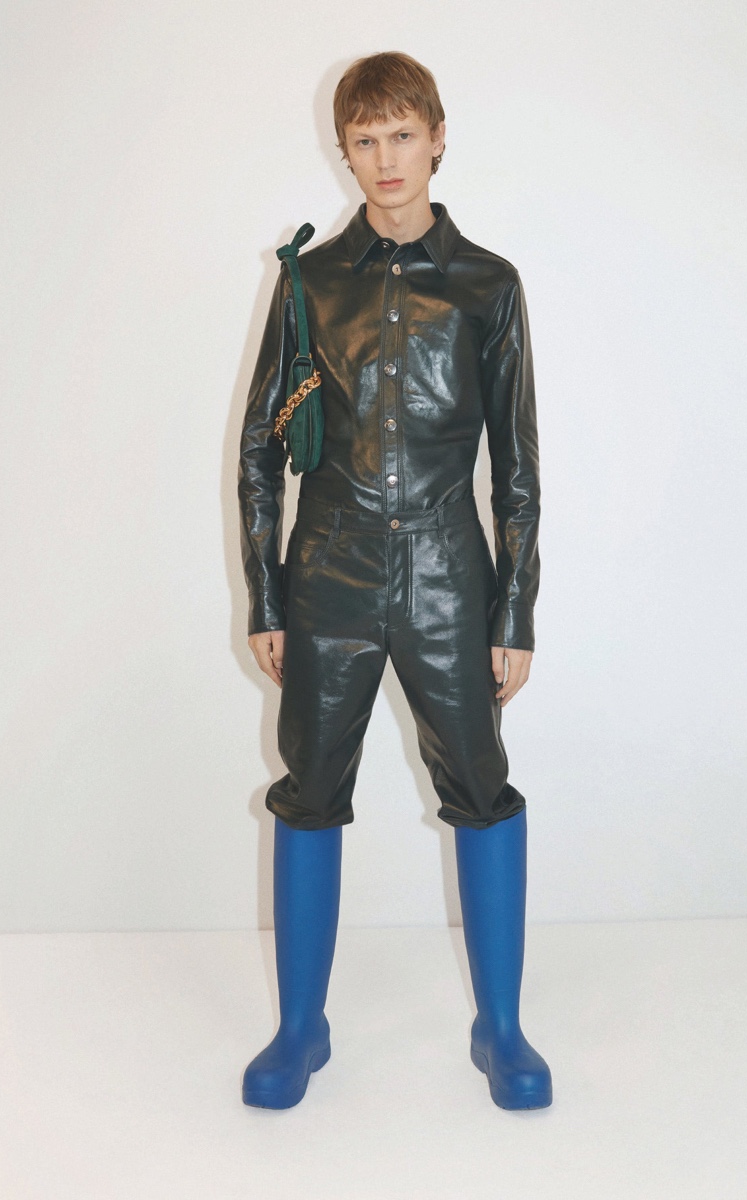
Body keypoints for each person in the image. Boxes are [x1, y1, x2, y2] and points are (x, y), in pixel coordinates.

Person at [237, 50, 552, 1111]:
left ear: (437, 138)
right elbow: (259, 452)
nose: (385, 159)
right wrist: (266, 596)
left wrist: (514, 609)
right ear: (345, 150)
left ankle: (501, 1028)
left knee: (481, 789)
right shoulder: (309, 283)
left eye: (402, 135)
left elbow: (516, 466)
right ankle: (299, 1029)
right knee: (308, 791)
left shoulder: (488, 286)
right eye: (364, 140)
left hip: (448, 578)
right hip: (326, 573)